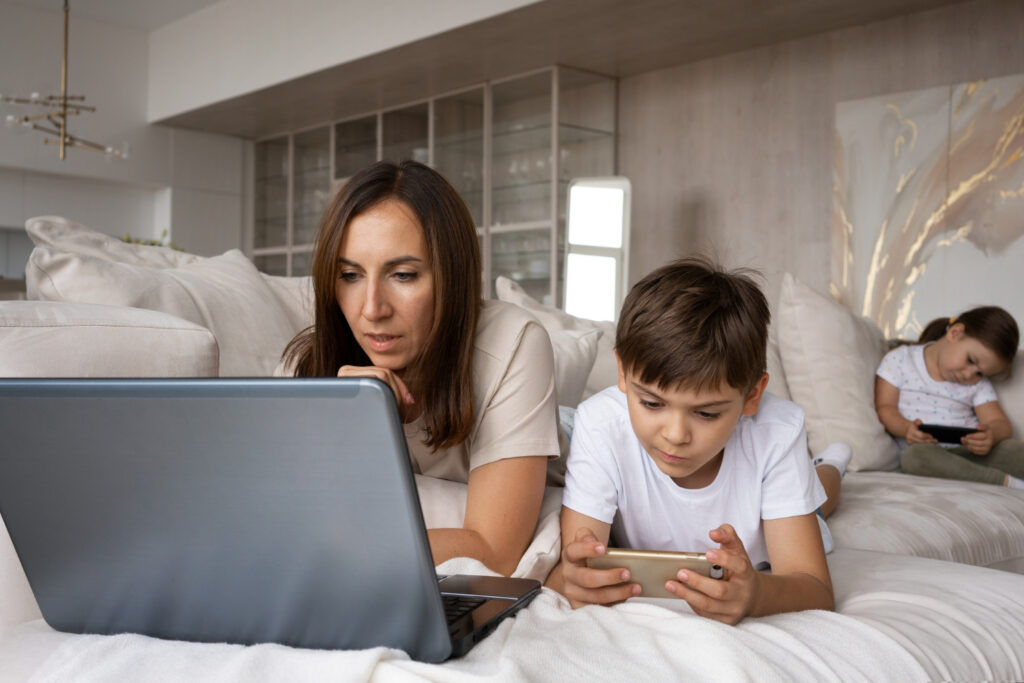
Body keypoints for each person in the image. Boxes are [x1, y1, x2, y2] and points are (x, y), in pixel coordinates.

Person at [280, 160, 560, 576]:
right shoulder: (309, 367)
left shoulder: (514, 343)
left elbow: (496, 550)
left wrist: (338, 548)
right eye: (351, 275)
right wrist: (343, 424)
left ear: (452, 276)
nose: (372, 309)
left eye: (404, 275)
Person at [549, 257, 835, 624]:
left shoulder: (778, 431)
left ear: (752, 396)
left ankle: (831, 466)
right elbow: (574, 564)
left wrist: (756, 594)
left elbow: (816, 589)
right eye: (651, 403)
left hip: (776, 511)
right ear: (622, 372)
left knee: (822, 502)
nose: (675, 435)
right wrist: (574, 579)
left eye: (706, 414)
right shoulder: (600, 423)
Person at [874, 306, 1024, 489]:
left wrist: (990, 436)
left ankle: (980, 475)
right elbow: (885, 407)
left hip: (968, 453)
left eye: (980, 373)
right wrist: (906, 429)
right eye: (970, 360)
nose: (969, 375)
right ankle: (1005, 483)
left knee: (1015, 450)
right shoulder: (900, 360)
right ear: (955, 333)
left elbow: (1000, 422)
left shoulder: (977, 384)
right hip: (927, 453)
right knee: (915, 458)